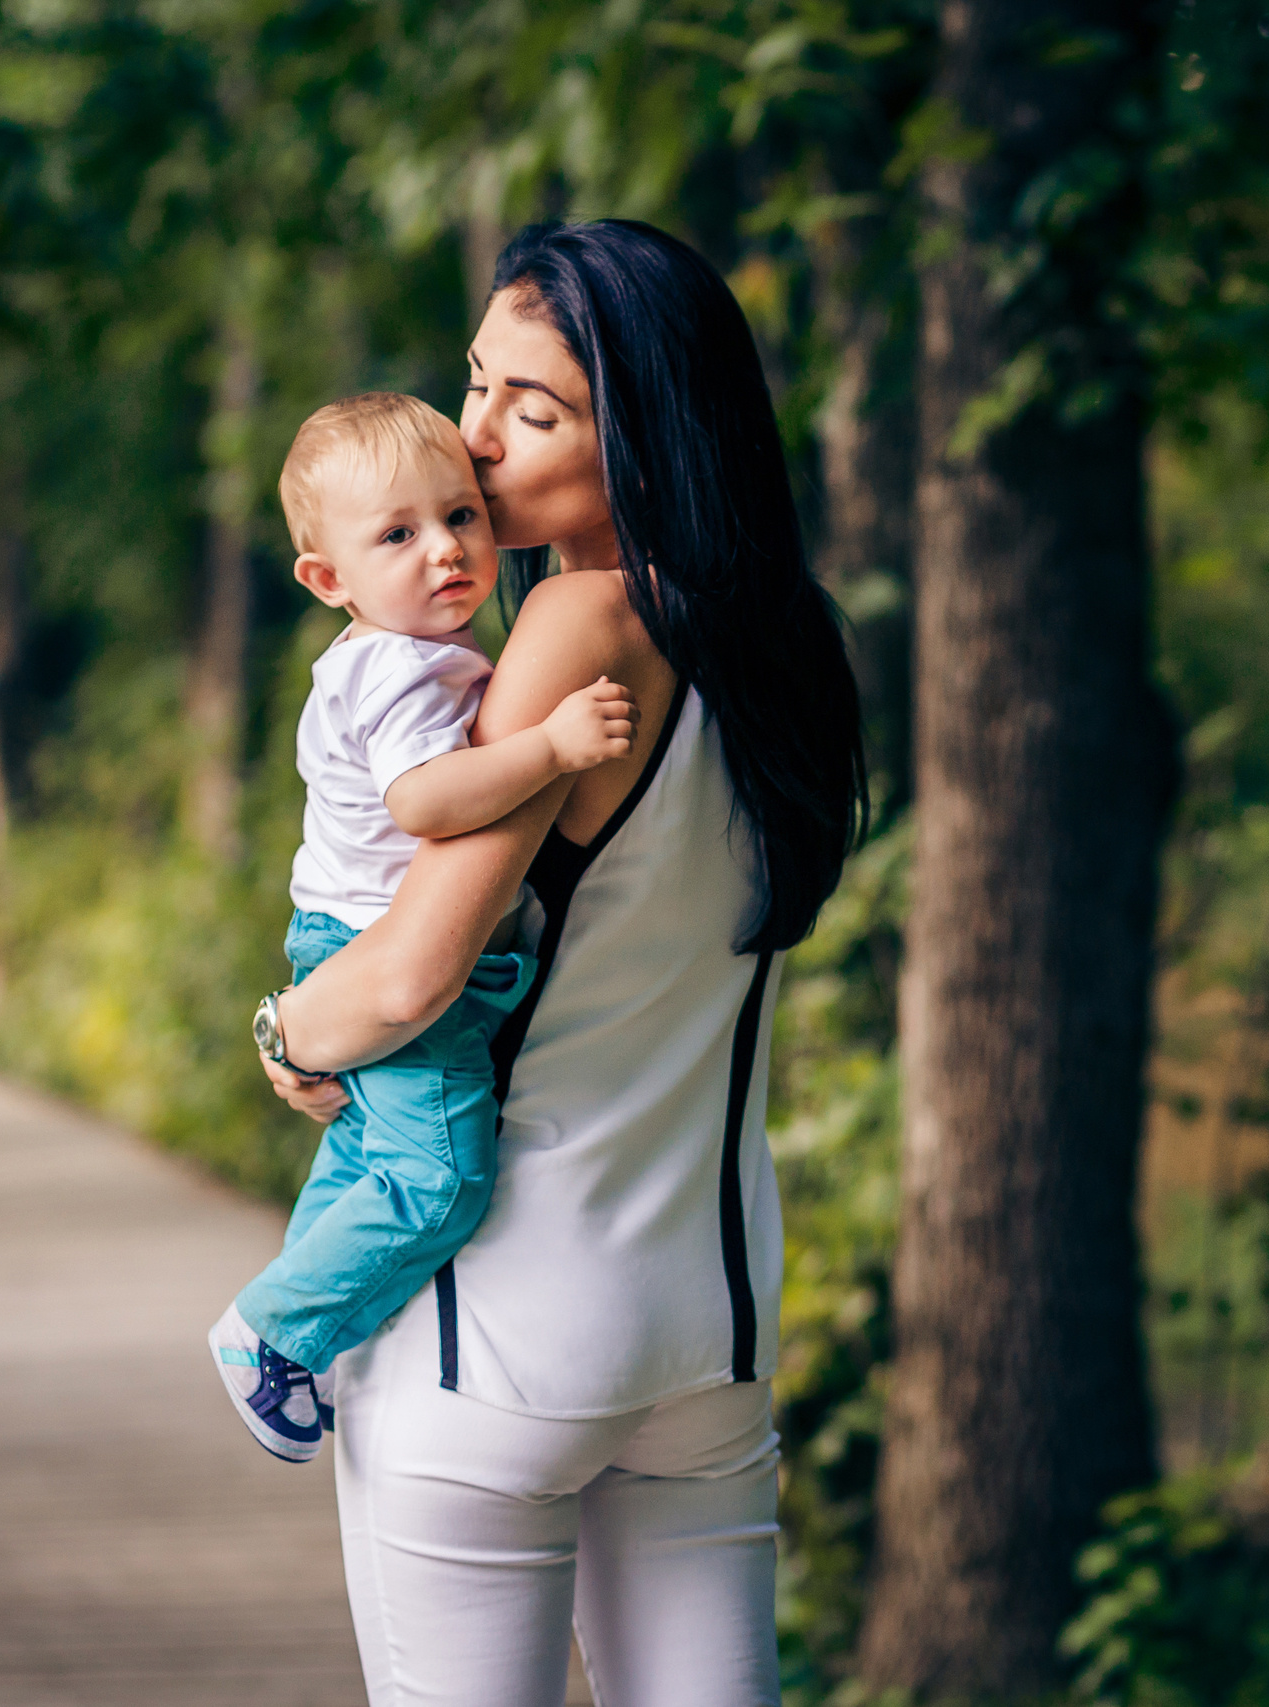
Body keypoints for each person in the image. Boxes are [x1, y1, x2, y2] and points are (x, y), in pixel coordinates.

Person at [250, 221, 866, 1707]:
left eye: (530, 410)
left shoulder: (575, 623)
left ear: (643, 436)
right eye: (477, 383)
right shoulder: (788, 642)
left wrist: (285, 1032)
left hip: (502, 1327)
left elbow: (412, 974)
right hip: (708, 1327)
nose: (473, 436)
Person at [210, 391, 642, 1463]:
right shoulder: (400, 668)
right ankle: (276, 1330)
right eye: (397, 536)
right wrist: (551, 747)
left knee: (365, 1154)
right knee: (439, 1177)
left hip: (337, 933)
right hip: (373, 945)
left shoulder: (399, 651)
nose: (445, 549)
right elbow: (426, 802)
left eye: (459, 517)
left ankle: (299, 1328)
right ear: (329, 580)